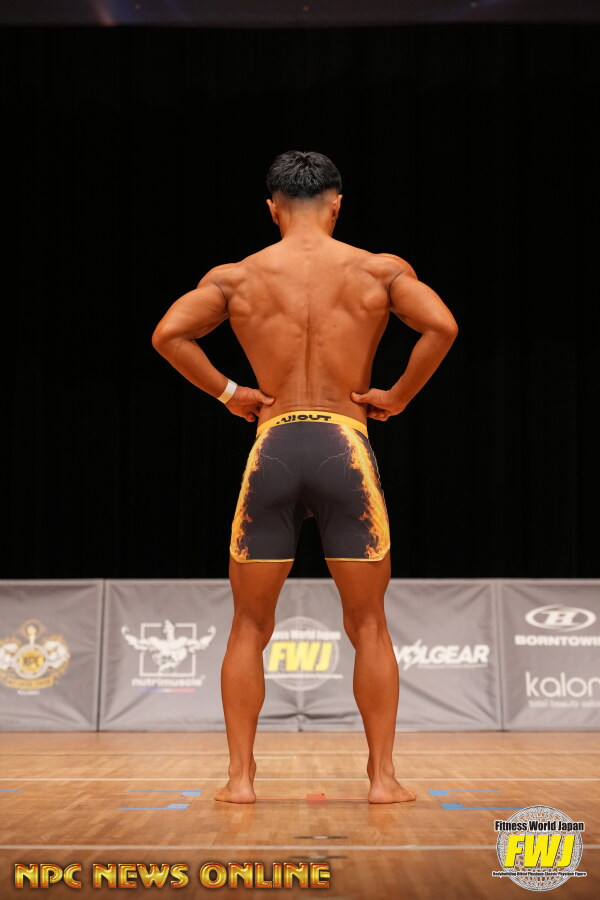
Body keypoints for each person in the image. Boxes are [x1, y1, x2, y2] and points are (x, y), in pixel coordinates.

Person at [151, 150, 458, 804]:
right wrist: (398, 396)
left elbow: (168, 334)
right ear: (337, 204)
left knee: (248, 626)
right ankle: (382, 780)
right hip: (345, 446)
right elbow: (442, 325)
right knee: (369, 624)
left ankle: (240, 781)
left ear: (272, 208)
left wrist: (230, 392)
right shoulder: (379, 269)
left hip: (275, 446)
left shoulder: (237, 277)